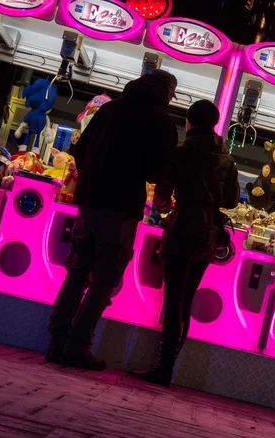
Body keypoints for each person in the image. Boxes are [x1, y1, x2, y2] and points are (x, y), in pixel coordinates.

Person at [46, 70, 179, 370]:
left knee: (77, 273)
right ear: (167, 93)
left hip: (89, 202)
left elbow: (79, 151)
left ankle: (55, 342)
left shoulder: (110, 108)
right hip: (120, 209)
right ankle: (77, 346)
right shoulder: (162, 121)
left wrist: (94, 177)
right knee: (104, 280)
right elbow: (158, 173)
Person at [131, 100, 240, 386]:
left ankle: (163, 367)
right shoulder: (227, 160)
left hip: (182, 226)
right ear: (215, 123)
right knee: (186, 299)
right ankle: (169, 365)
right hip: (207, 233)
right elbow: (230, 201)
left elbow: (163, 191)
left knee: (173, 299)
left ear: (190, 122)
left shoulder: (184, 152)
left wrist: (165, 206)